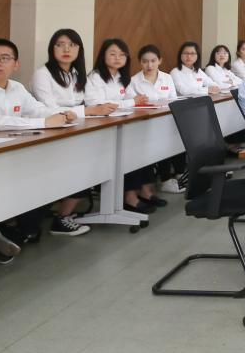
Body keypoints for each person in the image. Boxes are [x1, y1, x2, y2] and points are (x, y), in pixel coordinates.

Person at [0, 38, 82, 259]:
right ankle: (5, 231)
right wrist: (44, 123)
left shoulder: (16, 88)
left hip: (13, 154)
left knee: (49, 175)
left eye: (4, 58)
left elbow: (37, 109)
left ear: (16, 64)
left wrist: (62, 115)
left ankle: (16, 232)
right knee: (29, 178)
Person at [32, 29, 113, 235]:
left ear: (79, 50)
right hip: (51, 135)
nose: (66, 49)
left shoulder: (77, 74)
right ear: (52, 49)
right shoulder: (42, 74)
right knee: (78, 168)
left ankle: (64, 215)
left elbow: (91, 101)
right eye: (60, 44)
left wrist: (99, 107)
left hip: (76, 131)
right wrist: (87, 111)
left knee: (92, 164)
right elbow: (49, 108)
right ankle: (58, 219)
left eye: (72, 45)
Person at [86, 38, 161, 213]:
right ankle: (130, 197)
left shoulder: (122, 77)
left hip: (120, 125)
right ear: (103, 56)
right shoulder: (95, 77)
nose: (117, 58)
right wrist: (130, 102)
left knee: (140, 149)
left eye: (122, 55)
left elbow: (131, 99)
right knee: (130, 153)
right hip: (100, 128)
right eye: (112, 54)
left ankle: (143, 191)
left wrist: (135, 101)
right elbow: (98, 104)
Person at [130, 45, 185, 194]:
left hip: (166, 121)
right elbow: (131, 104)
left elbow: (173, 99)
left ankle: (177, 174)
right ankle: (164, 179)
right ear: (140, 62)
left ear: (160, 60)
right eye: (145, 61)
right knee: (157, 144)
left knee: (175, 139)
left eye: (153, 61)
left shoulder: (167, 78)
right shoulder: (134, 81)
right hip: (144, 124)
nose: (149, 65)